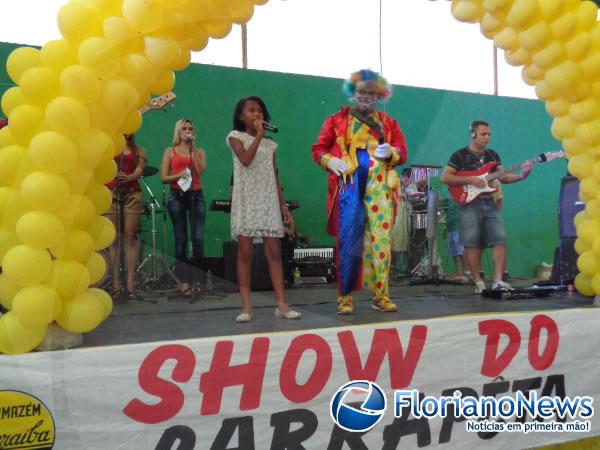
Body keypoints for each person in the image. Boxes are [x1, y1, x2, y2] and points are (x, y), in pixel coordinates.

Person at [312, 69, 408, 314]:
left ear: (380, 95)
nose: (367, 97)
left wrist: (393, 154)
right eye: (362, 92)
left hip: (381, 187)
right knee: (349, 239)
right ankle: (345, 298)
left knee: (381, 241)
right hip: (348, 186)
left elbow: (402, 152)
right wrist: (329, 161)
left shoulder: (389, 123)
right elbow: (318, 150)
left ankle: (381, 295)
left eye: (372, 93)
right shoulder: (336, 121)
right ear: (352, 94)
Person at [226, 96, 301, 322]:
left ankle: (281, 304)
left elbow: (274, 176)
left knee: (274, 252)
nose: (256, 114)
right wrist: (259, 134)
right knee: (246, 252)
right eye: (251, 110)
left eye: (260, 110)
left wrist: (283, 204)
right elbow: (246, 160)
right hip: (247, 199)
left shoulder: (271, 145)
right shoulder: (235, 137)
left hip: (268, 199)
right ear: (241, 116)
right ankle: (247, 307)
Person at [440, 120, 532, 293]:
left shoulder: (493, 156)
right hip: (468, 203)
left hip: (489, 202)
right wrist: (470, 179)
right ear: (472, 134)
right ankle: (478, 281)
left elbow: (503, 177)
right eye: (483, 134)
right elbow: (445, 178)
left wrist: (522, 176)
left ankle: (497, 281)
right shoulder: (459, 155)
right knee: (472, 243)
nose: (487, 138)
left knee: (500, 239)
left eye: (489, 134)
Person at [160, 118, 206, 296]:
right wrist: (178, 175)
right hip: (177, 196)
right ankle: (184, 282)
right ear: (178, 132)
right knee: (181, 239)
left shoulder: (199, 151)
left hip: (196, 195)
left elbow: (201, 170)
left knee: (198, 239)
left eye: (190, 129)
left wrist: (192, 152)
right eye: (184, 128)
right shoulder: (170, 151)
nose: (188, 131)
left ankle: (199, 282)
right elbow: (163, 177)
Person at [105, 134, 146, 299]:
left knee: (130, 237)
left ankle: (130, 284)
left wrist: (128, 177)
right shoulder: (109, 149)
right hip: (111, 194)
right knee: (113, 238)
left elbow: (139, 170)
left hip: (132, 194)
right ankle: (115, 285)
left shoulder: (139, 150)